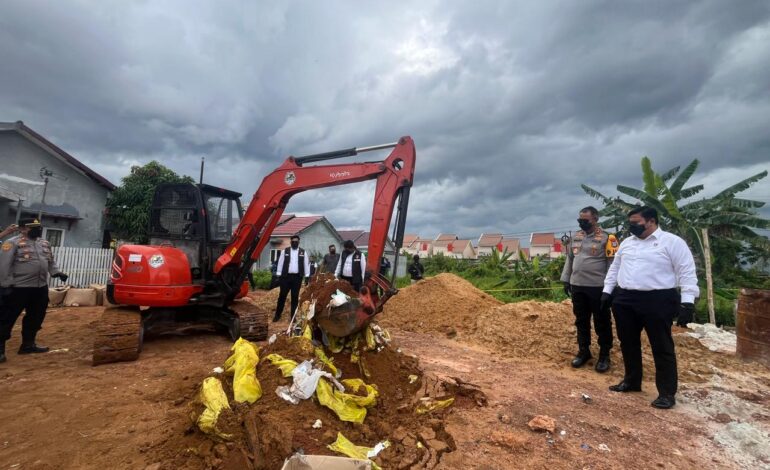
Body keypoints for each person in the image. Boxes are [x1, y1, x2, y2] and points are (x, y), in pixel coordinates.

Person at [603, 206, 698, 409]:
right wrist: (607, 291)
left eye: (636, 223)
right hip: (626, 298)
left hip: (659, 299)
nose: (632, 227)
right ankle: (632, 381)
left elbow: (686, 271)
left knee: (661, 346)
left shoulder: (672, 243)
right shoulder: (627, 244)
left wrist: (688, 301)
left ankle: (666, 393)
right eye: (630, 223)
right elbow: (615, 268)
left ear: (652, 221)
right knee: (628, 342)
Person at [0, 218, 69, 363]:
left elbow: (50, 261)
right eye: (33, 227)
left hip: (40, 287)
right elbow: (4, 266)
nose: (37, 229)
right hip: (18, 288)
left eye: (38, 227)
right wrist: (4, 285)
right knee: (6, 318)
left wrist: (56, 272)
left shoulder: (44, 243)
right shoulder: (12, 243)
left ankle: (28, 344)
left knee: (36, 316)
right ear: (23, 228)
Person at [560, 206, 614, 373]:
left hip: (598, 287)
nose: (582, 223)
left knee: (602, 321)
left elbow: (612, 263)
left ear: (595, 219)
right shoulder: (576, 237)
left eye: (585, 220)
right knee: (581, 321)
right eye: (580, 220)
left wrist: (611, 288)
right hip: (578, 286)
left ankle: (604, 354)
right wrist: (566, 280)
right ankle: (584, 351)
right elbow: (569, 259)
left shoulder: (607, 238)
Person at [273, 235, 310, 322]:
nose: (294, 242)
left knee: (295, 297)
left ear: (298, 242)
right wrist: (278, 275)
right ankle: (277, 315)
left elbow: (306, 264)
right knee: (282, 296)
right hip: (285, 277)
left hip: (297, 278)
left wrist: (307, 276)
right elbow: (280, 263)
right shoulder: (285, 251)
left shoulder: (302, 252)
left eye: (296, 241)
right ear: (290, 242)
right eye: (293, 241)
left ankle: (293, 317)